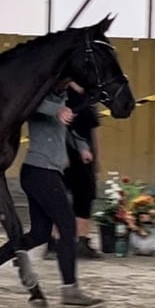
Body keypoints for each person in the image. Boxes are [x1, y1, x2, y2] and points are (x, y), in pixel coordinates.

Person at [0, 83, 103, 308]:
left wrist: (82, 147)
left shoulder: (61, 100)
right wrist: (57, 111)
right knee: (67, 226)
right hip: (41, 172)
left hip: (44, 173)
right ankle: (70, 289)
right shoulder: (39, 98)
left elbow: (67, 129)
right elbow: (34, 108)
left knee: (40, 233)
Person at [45, 81, 103, 260]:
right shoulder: (62, 93)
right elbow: (58, 126)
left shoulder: (89, 95)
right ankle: (58, 241)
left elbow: (91, 129)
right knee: (64, 195)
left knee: (84, 195)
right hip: (66, 151)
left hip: (84, 151)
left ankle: (80, 240)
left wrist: (96, 156)